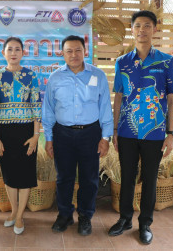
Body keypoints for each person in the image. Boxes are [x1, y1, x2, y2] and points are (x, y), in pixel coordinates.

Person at [108, 10, 173, 245]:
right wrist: (115, 131)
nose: (142, 30)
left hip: (155, 133)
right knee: (127, 177)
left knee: (149, 178)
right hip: (127, 132)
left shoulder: (166, 61)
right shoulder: (122, 62)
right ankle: (125, 219)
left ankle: (145, 223)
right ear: (132, 29)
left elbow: (171, 100)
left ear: (154, 29)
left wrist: (171, 134)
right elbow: (118, 97)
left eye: (147, 25)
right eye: (137, 25)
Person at [42, 35, 113, 236]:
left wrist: (105, 138)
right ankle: (64, 214)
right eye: (69, 51)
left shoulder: (97, 76)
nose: (74, 55)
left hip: (90, 134)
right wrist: (49, 139)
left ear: (85, 52)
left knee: (89, 179)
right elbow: (48, 110)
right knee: (64, 177)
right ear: (62, 54)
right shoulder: (55, 77)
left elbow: (105, 108)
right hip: (62, 134)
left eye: (77, 50)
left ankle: (85, 217)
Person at [0, 36, 42, 235]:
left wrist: (36, 135)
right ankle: (13, 211)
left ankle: (20, 216)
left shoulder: (31, 75)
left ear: (23, 53)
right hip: (4, 132)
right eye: (9, 49)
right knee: (9, 175)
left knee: (25, 174)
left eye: (17, 49)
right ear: (3, 53)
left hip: (27, 130)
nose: (13, 53)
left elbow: (37, 106)